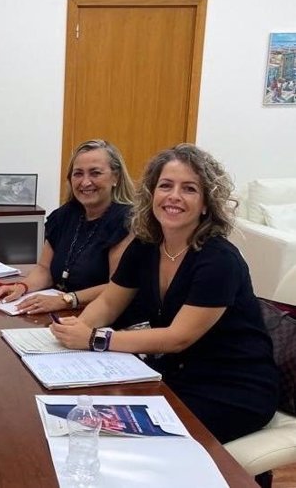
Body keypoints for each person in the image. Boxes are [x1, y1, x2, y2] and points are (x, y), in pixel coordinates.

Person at [50, 143, 279, 444]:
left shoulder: (219, 259)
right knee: (78, 414)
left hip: (231, 387)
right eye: (165, 186)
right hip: (175, 373)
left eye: (189, 189)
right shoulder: (146, 245)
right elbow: (109, 301)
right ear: (152, 194)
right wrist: (80, 330)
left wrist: (95, 339)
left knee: (118, 436)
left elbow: (177, 337)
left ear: (206, 203)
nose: (173, 197)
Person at [0, 140, 136, 317]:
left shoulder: (125, 221)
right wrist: (21, 287)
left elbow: (117, 287)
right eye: (78, 174)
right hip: (63, 313)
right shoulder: (64, 216)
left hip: (104, 318)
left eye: (95, 173)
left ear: (115, 177)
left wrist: (65, 300)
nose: (85, 182)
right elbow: (44, 269)